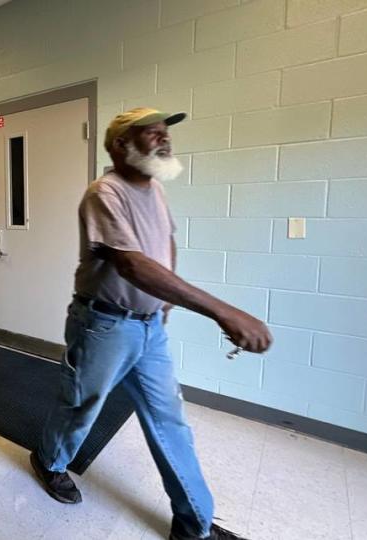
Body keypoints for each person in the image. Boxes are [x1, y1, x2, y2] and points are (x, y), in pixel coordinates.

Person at [30, 108, 272, 540]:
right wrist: (222, 310)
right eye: (152, 133)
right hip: (103, 326)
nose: (164, 139)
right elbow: (132, 263)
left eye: (165, 133)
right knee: (81, 407)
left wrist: (165, 304)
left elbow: (167, 242)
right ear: (120, 145)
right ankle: (49, 461)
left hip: (149, 328)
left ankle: (193, 523)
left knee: (169, 420)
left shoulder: (155, 189)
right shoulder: (104, 193)